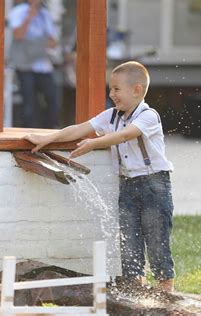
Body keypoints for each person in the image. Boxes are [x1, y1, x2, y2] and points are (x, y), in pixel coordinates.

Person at [24, 61, 175, 292]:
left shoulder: (148, 116)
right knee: (129, 242)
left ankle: (166, 293)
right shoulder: (111, 116)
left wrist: (93, 143)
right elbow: (78, 129)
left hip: (154, 183)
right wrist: (49, 139)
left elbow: (125, 135)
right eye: (110, 88)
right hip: (127, 183)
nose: (111, 94)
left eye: (116, 89)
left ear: (136, 90)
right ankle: (136, 291)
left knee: (156, 239)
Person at [8, 0, 59, 128]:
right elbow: (18, 35)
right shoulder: (19, 11)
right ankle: (28, 131)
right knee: (29, 102)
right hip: (25, 65)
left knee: (52, 99)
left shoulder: (45, 14)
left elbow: (53, 42)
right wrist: (29, 18)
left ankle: (49, 131)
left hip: (43, 64)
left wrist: (35, 43)